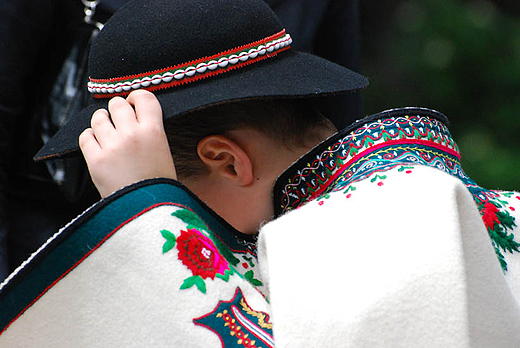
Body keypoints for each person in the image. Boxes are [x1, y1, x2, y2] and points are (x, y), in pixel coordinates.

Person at [1, 0, 519, 347]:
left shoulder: (385, 230)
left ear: (228, 161)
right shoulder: (404, 198)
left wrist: (147, 211)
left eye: (191, 213)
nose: (209, 241)